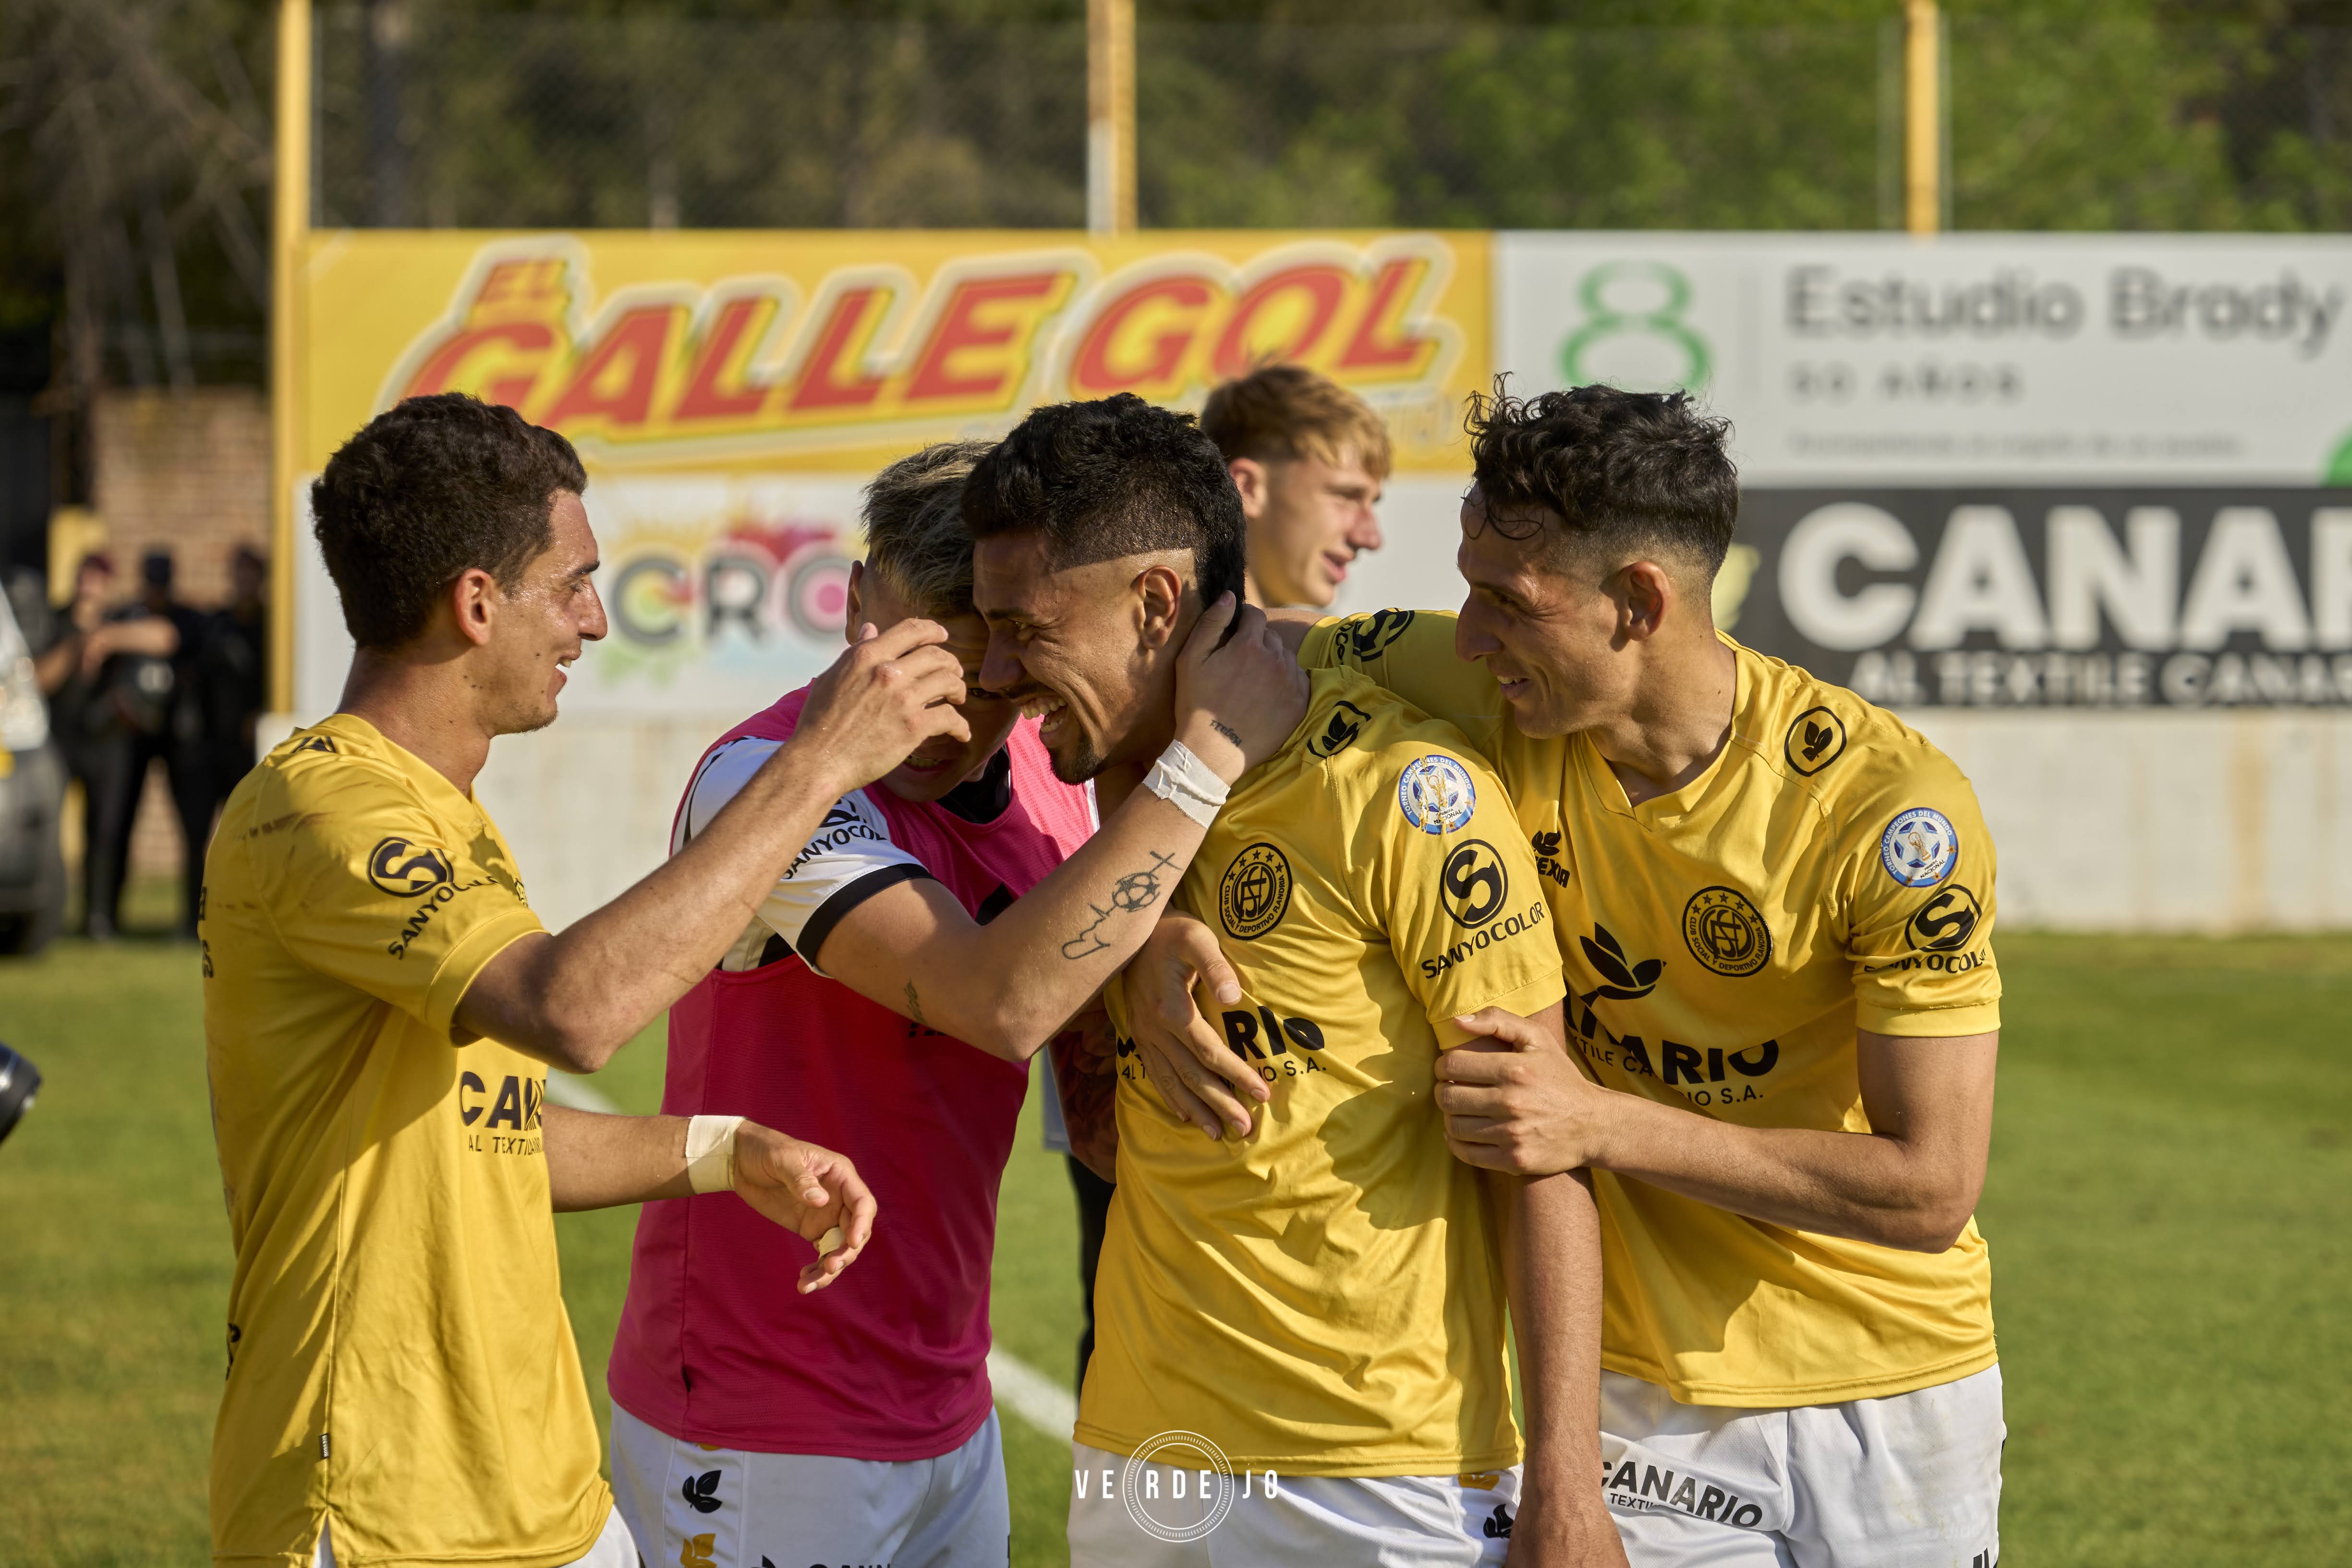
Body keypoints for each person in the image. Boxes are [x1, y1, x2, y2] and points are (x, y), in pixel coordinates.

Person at [1130, 385, 2006, 1568]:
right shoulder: (1469, 687)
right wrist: (1148, 925)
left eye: (1507, 601)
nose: (1469, 634)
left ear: (1636, 602)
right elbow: (1183, 673)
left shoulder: (1887, 812)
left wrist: (1596, 1120)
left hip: (1902, 1396)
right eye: (1468, 587)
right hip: (1642, 1400)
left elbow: (1928, 1189)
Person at [201, 392, 964, 1568]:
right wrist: (818, 761)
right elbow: (574, 1011)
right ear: (475, 603)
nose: (595, 620)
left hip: (544, 1500)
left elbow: (478, 1132)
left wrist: (725, 1150)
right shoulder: (323, 806)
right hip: (384, 1509)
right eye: (572, 585)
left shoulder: (443, 811)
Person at [604, 440, 1297, 1567]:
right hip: (761, 1419)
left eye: (985, 688)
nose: (945, 724)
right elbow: (998, 999)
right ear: (854, 604)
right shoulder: (760, 782)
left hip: (949, 1412)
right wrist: (1204, 757)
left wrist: (1143, 961)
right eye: (911, 672)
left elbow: (1088, 1078)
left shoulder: (1042, 786)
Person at [965, 393, 1625, 1567]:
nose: (998, 669)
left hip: (1382, 1471)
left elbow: (1539, 1144)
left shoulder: (1404, 790)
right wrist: (1136, 943)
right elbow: (1080, 1104)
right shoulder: (1119, 796)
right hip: (1146, 1451)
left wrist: (1567, 1489)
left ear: (1155, 604)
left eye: (1025, 628)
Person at [31, 550, 174, 938]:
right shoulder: (55, 620)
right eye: (85, 575)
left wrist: (107, 638)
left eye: (98, 578)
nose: (89, 585)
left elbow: (164, 637)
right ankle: (47, 914)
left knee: (105, 832)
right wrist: (78, 645)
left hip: (108, 743)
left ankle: (97, 917)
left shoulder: (121, 617)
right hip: (61, 741)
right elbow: (38, 679)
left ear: (108, 584)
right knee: (48, 829)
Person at [1200, 363, 1388, 609]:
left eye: (1371, 503)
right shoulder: (1165, 631)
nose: (1372, 539)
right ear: (1247, 488)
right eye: (1346, 496)